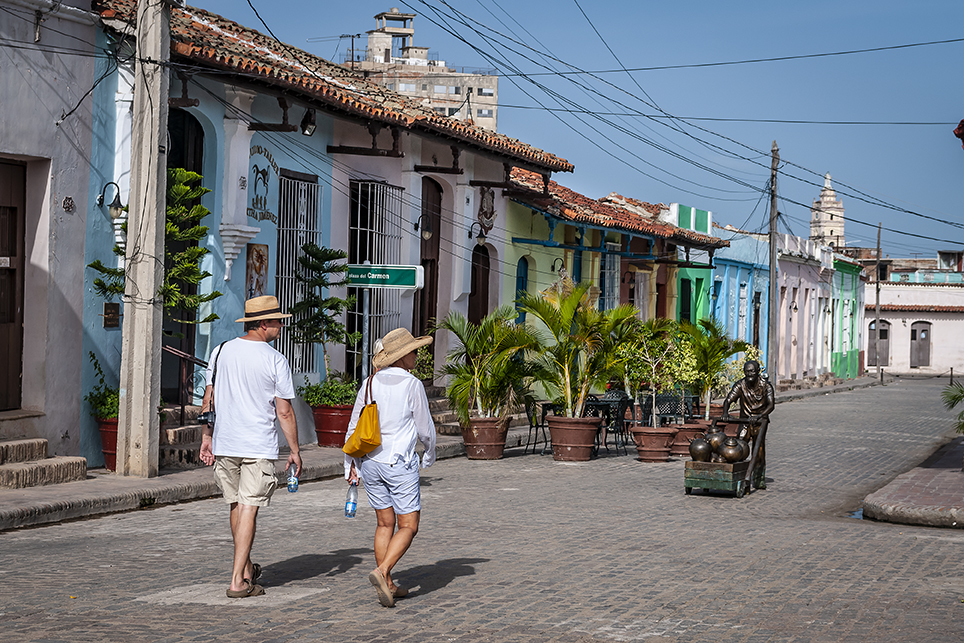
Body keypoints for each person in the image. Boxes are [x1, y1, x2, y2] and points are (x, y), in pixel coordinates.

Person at [199, 295, 302, 599]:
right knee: (249, 507)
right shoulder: (274, 359)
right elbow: (284, 411)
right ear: (262, 324)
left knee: (236, 504)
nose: (281, 325)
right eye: (277, 321)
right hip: (257, 444)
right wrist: (294, 450)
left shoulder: (220, 352)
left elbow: (209, 400)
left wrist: (207, 437)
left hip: (226, 442)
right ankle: (237, 581)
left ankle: (244, 570)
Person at [345, 328, 437, 608]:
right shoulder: (411, 384)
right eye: (413, 351)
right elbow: (424, 428)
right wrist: (430, 452)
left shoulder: (370, 383)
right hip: (399, 462)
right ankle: (382, 571)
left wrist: (351, 463)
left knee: (384, 523)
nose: (416, 355)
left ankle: (389, 584)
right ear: (402, 356)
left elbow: (354, 424)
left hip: (371, 462)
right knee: (409, 525)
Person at [721, 360, 775, 489]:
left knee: (759, 450)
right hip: (745, 422)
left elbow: (771, 405)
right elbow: (729, 399)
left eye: (752, 371)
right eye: (746, 371)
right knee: (738, 447)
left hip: (760, 422)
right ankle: (737, 476)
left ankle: (758, 479)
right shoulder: (740, 385)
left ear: (757, 371)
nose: (749, 374)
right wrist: (725, 412)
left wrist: (760, 416)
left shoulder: (766, 386)